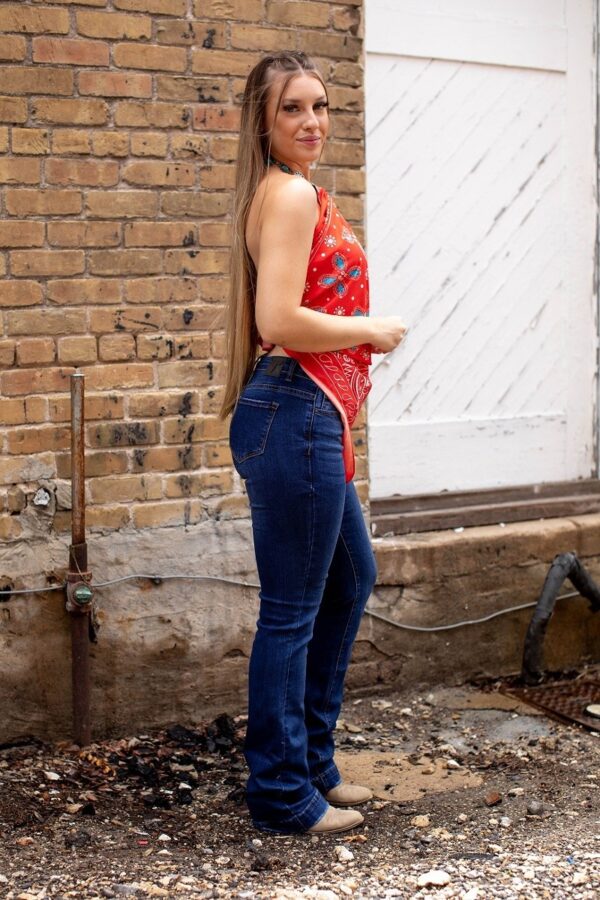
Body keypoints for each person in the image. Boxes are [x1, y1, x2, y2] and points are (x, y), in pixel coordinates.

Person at [219, 51, 407, 835]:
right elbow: (279, 323)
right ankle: (283, 793)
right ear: (265, 121)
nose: (312, 122)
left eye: (321, 106)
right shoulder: (290, 194)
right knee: (293, 612)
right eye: (293, 108)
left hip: (301, 416)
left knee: (349, 579)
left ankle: (313, 764)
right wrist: (371, 330)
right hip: (292, 412)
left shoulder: (285, 192)